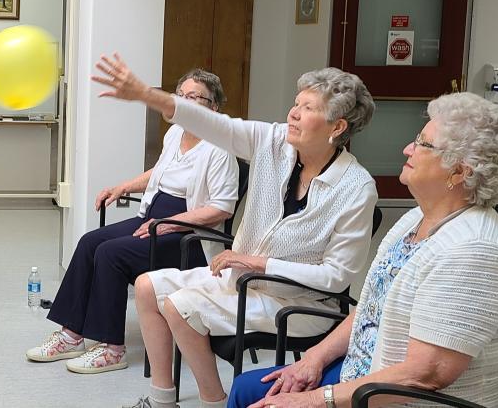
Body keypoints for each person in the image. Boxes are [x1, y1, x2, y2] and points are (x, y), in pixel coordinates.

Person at [93, 55, 378, 407]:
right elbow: (217, 125)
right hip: (240, 281)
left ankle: (215, 402)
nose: (293, 112)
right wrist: (148, 96)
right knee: (147, 286)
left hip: (299, 302)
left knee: (182, 305)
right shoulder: (274, 142)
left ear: (337, 127)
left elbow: (336, 277)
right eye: (295, 103)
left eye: (308, 107)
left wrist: (258, 263)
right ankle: (162, 399)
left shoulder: (355, 187)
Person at [228, 92, 498, 408]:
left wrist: (316, 399)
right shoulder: (419, 216)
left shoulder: (474, 251)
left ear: (460, 172)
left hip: (401, 399)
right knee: (246, 388)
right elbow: (373, 304)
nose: (408, 149)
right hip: (366, 375)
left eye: (423, 144)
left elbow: (425, 375)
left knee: (258, 398)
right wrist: (314, 358)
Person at [26, 69, 240, 374]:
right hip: (153, 220)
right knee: (90, 242)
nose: (186, 102)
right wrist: (124, 187)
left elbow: (222, 208)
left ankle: (113, 349)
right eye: (181, 96)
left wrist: (172, 222)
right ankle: (72, 335)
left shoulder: (220, 148)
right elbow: (160, 173)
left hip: (187, 238)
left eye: (195, 97)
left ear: (214, 107)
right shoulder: (176, 133)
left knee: (111, 254)